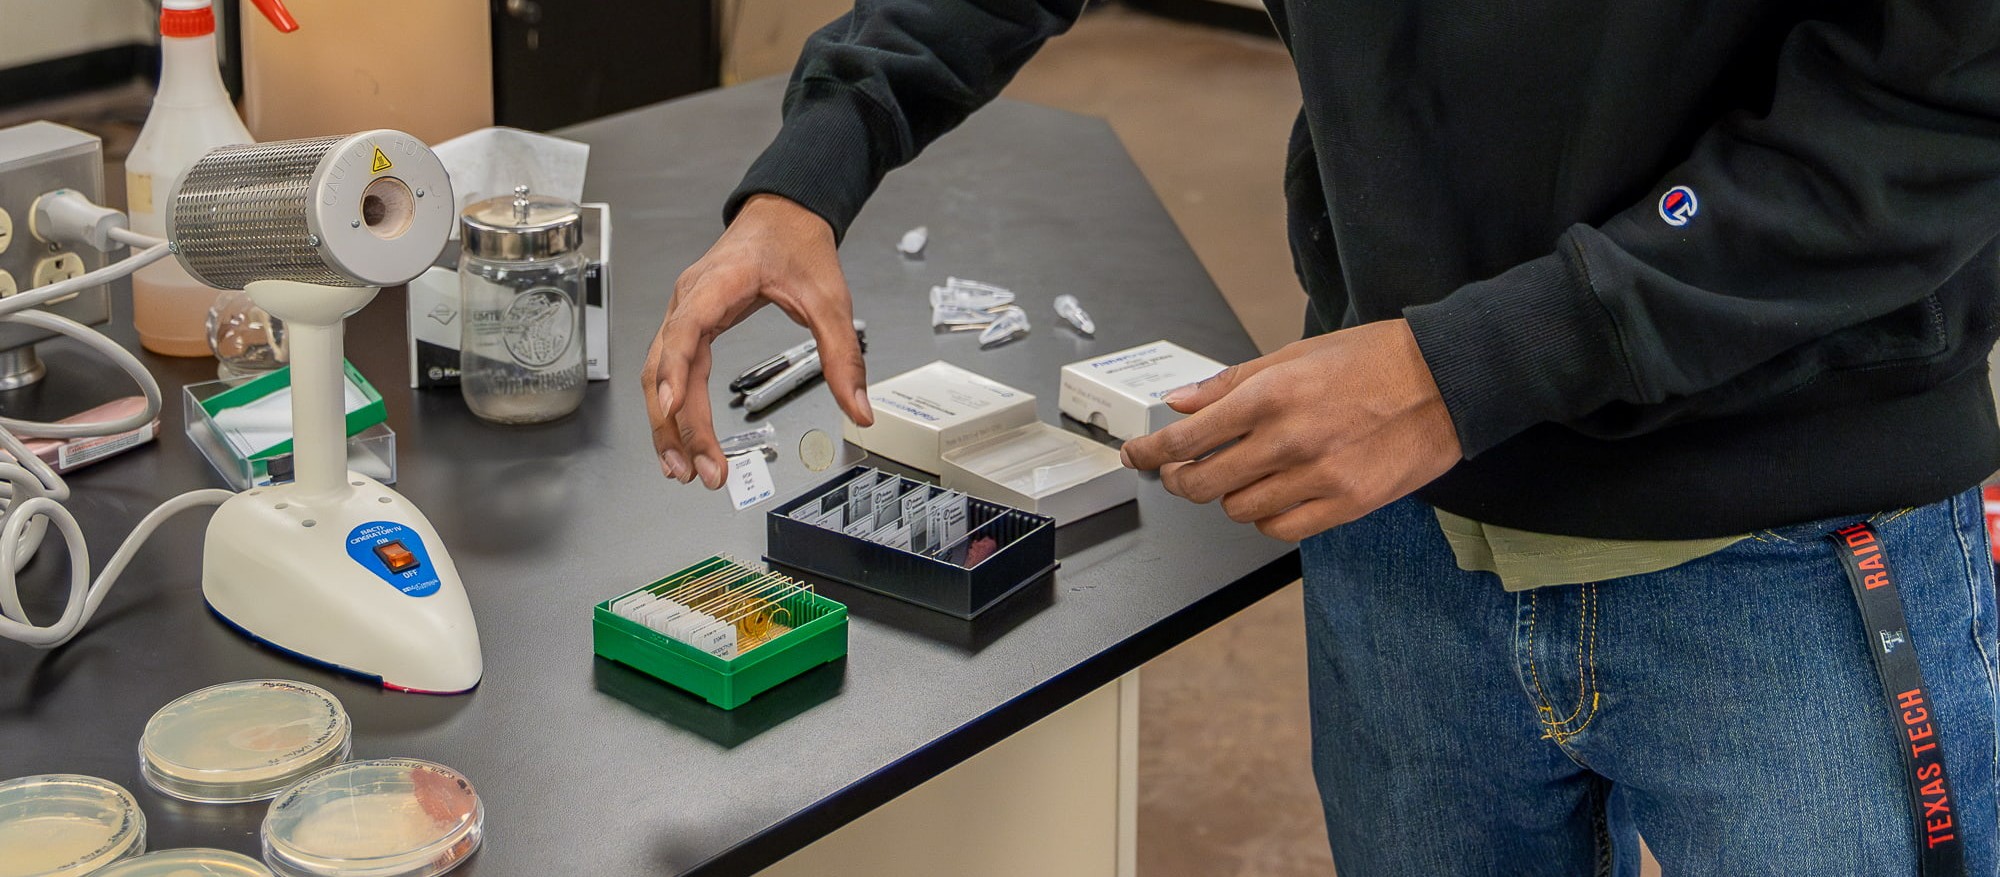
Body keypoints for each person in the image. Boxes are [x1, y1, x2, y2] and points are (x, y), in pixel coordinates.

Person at [642, 1, 2000, 873]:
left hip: (1786, 545)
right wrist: (822, 156)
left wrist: (1463, 366)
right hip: (1407, 546)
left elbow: (1929, 112)